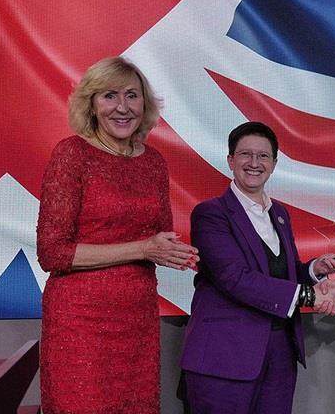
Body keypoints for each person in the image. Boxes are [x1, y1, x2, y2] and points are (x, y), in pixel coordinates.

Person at [36, 56, 199, 413]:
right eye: (109, 96)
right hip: (80, 323)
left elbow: (157, 237)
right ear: (92, 105)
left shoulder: (153, 161)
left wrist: (174, 253)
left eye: (132, 96)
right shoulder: (72, 154)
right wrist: (143, 248)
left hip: (137, 319)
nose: (122, 107)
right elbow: (53, 253)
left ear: (145, 104)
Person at [180, 121, 335, 414]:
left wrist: (313, 270)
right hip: (225, 357)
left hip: (279, 353)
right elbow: (234, 278)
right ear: (231, 160)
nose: (254, 163)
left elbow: (280, 272)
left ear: (274, 163)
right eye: (246, 154)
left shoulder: (279, 214)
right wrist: (309, 296)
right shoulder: (211, 214)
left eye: (263, 156)